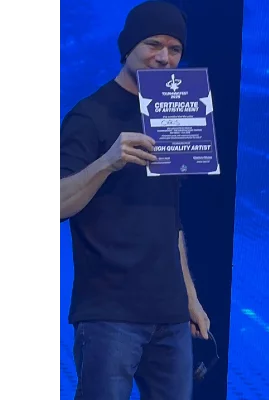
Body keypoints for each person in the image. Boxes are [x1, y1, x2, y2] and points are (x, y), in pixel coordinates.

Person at [59, 2, 210, 399]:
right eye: (153, 44)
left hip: (170, 317)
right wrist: (108, 161)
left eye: (175, 49)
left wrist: (190, 299)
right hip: (110, 314)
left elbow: (169, 221)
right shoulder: (88, 116)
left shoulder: (172, 116)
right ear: (128, 47)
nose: (163, 57)